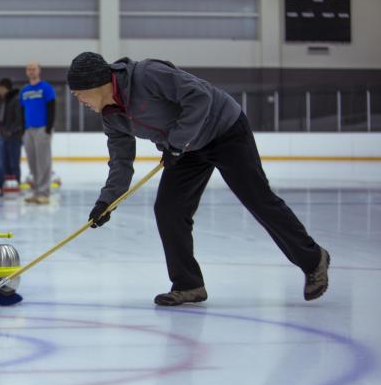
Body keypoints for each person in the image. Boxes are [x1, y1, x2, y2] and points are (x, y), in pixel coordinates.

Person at [67, 52, 330, 306]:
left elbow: (199, 96)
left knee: (259, 200)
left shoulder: (147, 75)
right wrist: (107, 202)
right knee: (169, 210)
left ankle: (313, 259)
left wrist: (177, 143)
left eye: (79, 94)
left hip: (224, 129)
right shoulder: (112, 118)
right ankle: (188, 284)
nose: (79, 100)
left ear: (95, 83)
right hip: (185, 148)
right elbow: (121, 162)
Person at [20, 61, 55, 205]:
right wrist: (23, 129)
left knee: (43, 162)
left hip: (43, 128)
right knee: (32, 162)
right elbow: (22, 110)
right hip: (28, 130)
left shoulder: (46, 88)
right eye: (28, 69)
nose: (31, 71)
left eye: (33, 69)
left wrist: (48, 128)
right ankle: (36, 192)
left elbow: (52, 107)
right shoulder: (25, 90)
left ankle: (44, 193)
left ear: (39, 70)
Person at [0, 78, 24, 184]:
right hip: (5, 136)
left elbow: (19, 119)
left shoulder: (16, 100)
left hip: (14, 136)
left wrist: (11, 131)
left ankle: (16, 183)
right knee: (6, 162)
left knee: (14, 163)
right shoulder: (5, 100)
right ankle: (8, 184)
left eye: (0, 88)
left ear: (5, 88)